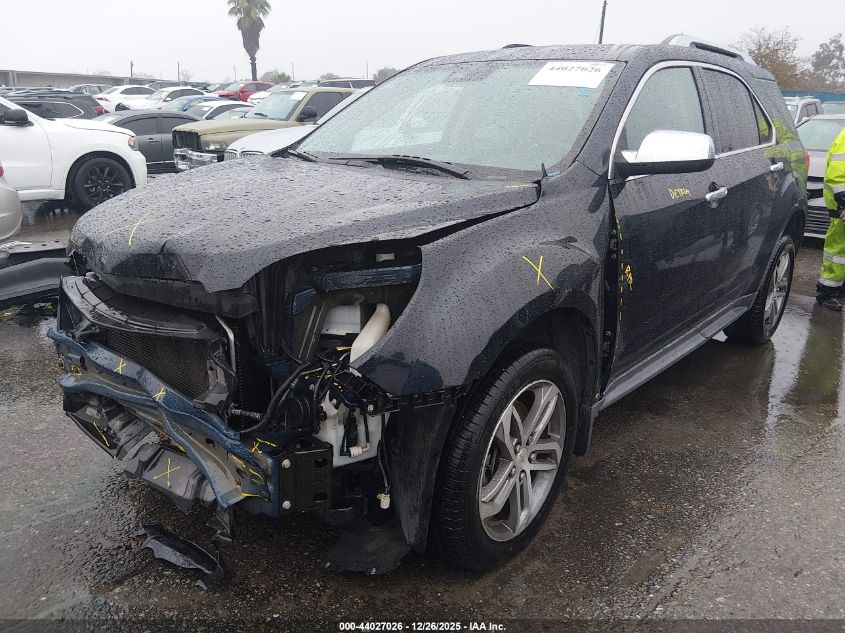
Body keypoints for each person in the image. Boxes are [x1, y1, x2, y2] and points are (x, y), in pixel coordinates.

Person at [816, 127, 845, 311]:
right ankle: (826, 292)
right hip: (841, 209)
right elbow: (837, 175)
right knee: (837, 252)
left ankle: (839, 288)